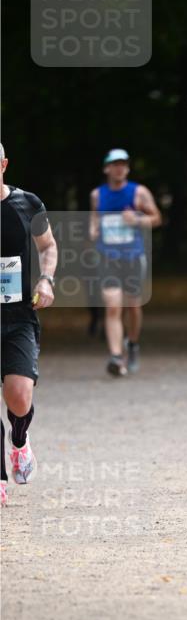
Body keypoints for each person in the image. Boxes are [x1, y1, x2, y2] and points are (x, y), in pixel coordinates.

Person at [1, 142, 58, 507]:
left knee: (19, 398)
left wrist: (45, 280)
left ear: (3, 164)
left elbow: (48, 246)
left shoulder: (28, 204)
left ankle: (19, 442)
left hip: (18, 314)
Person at [89, 149, 162, 377]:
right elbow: (94, 218)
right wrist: (93, 229)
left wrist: (138, 219)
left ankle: (132, 343)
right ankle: (116, 356)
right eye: (115, 164)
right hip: (107, 256)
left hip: (133, 256)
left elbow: (157, 218)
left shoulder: (139, 193)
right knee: (112, 306)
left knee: (133, 306)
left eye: (123, 164)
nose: (119, 168)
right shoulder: (97, 194)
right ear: (106, 168)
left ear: (128, 168)